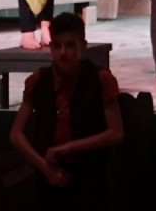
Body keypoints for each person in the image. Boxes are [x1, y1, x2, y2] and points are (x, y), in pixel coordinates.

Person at [9, 12, 124, 210]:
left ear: (83, 46)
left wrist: (68, 147)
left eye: (70, 45)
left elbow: (116, 133)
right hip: (48, 174)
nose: (63, 53)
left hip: (90, 176)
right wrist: (44, 168)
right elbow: (16, 134)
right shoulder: (38, 80)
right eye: (57, 46)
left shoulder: (100, 79)